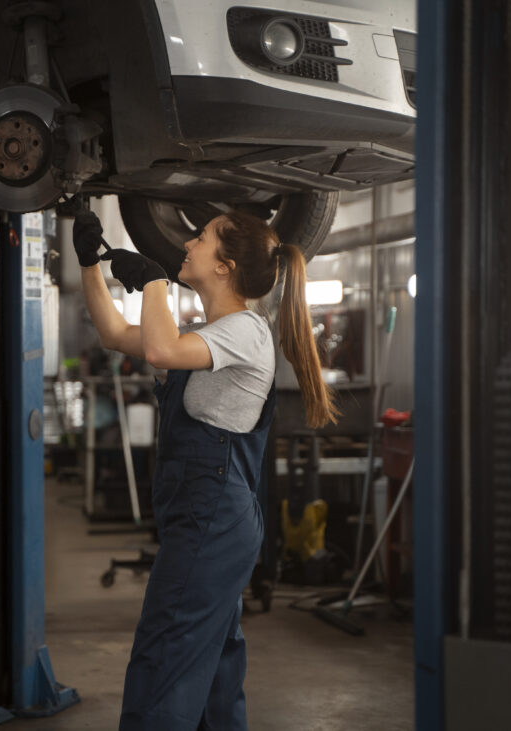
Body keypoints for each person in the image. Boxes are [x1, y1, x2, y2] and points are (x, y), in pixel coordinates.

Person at [72, 205, 337, 730]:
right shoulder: (211, 332)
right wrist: (88, 265)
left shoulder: (244, 332)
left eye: (203, 237)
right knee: (212, 663)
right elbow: (113, 334)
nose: (188, 243)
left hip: (212, 520)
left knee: (165, 653)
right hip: (205, 518)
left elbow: (158, 347)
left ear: (226, 267)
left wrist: (151, 282)